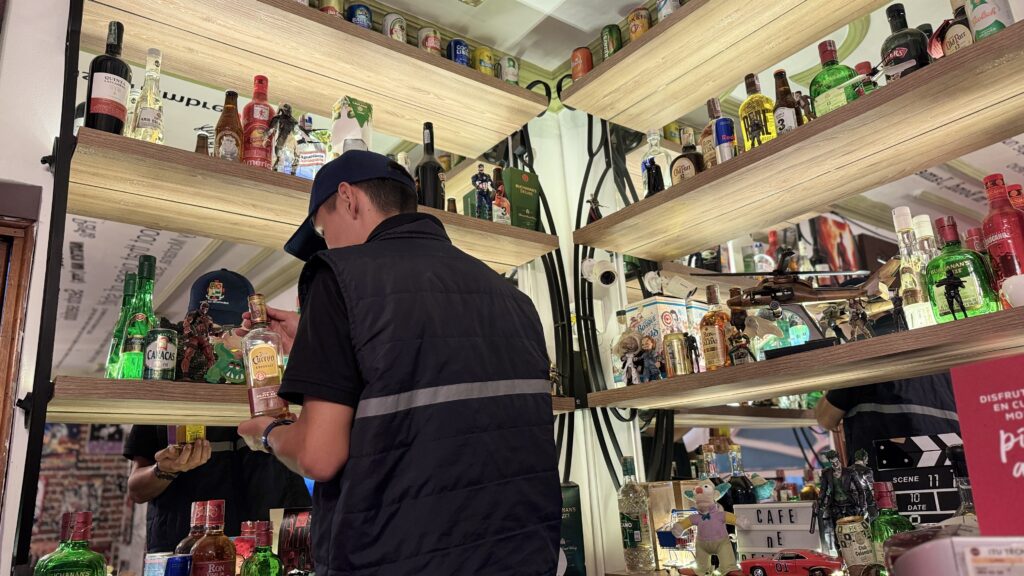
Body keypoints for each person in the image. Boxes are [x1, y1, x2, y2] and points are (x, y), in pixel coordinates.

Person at [236, 150, 560, 575]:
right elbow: (429, 379)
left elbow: (318, 456)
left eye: (323, 230)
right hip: (522, 556)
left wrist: (268, 433)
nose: (327, 243)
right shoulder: (512, 298)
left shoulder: (338, 275)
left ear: (349, 198)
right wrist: (318, 343)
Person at [124, 270, 311, 553]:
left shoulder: (277, 382)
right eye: (209, 330)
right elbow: (136, 488)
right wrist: (164, 470)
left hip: (273, 543)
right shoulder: (167, 387)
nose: (219, 340)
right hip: (188, 547)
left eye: (228, 330)